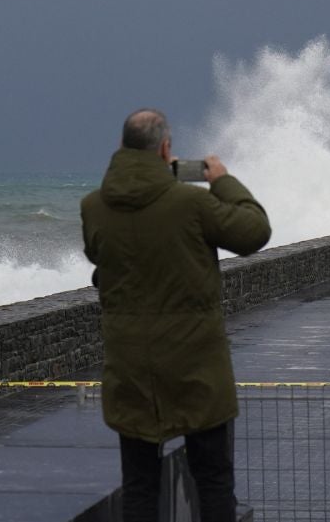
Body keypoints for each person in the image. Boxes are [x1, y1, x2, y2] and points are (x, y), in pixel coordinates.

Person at [80, 108, 271, 522]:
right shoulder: (192, 203)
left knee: (140, 489)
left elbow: (102, 256)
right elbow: (255, 231)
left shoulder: (94, 207)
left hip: (131, 370)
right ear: (166, 149)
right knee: (214, 483)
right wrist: (222, 180)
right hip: (196, 370)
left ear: (122, 146)